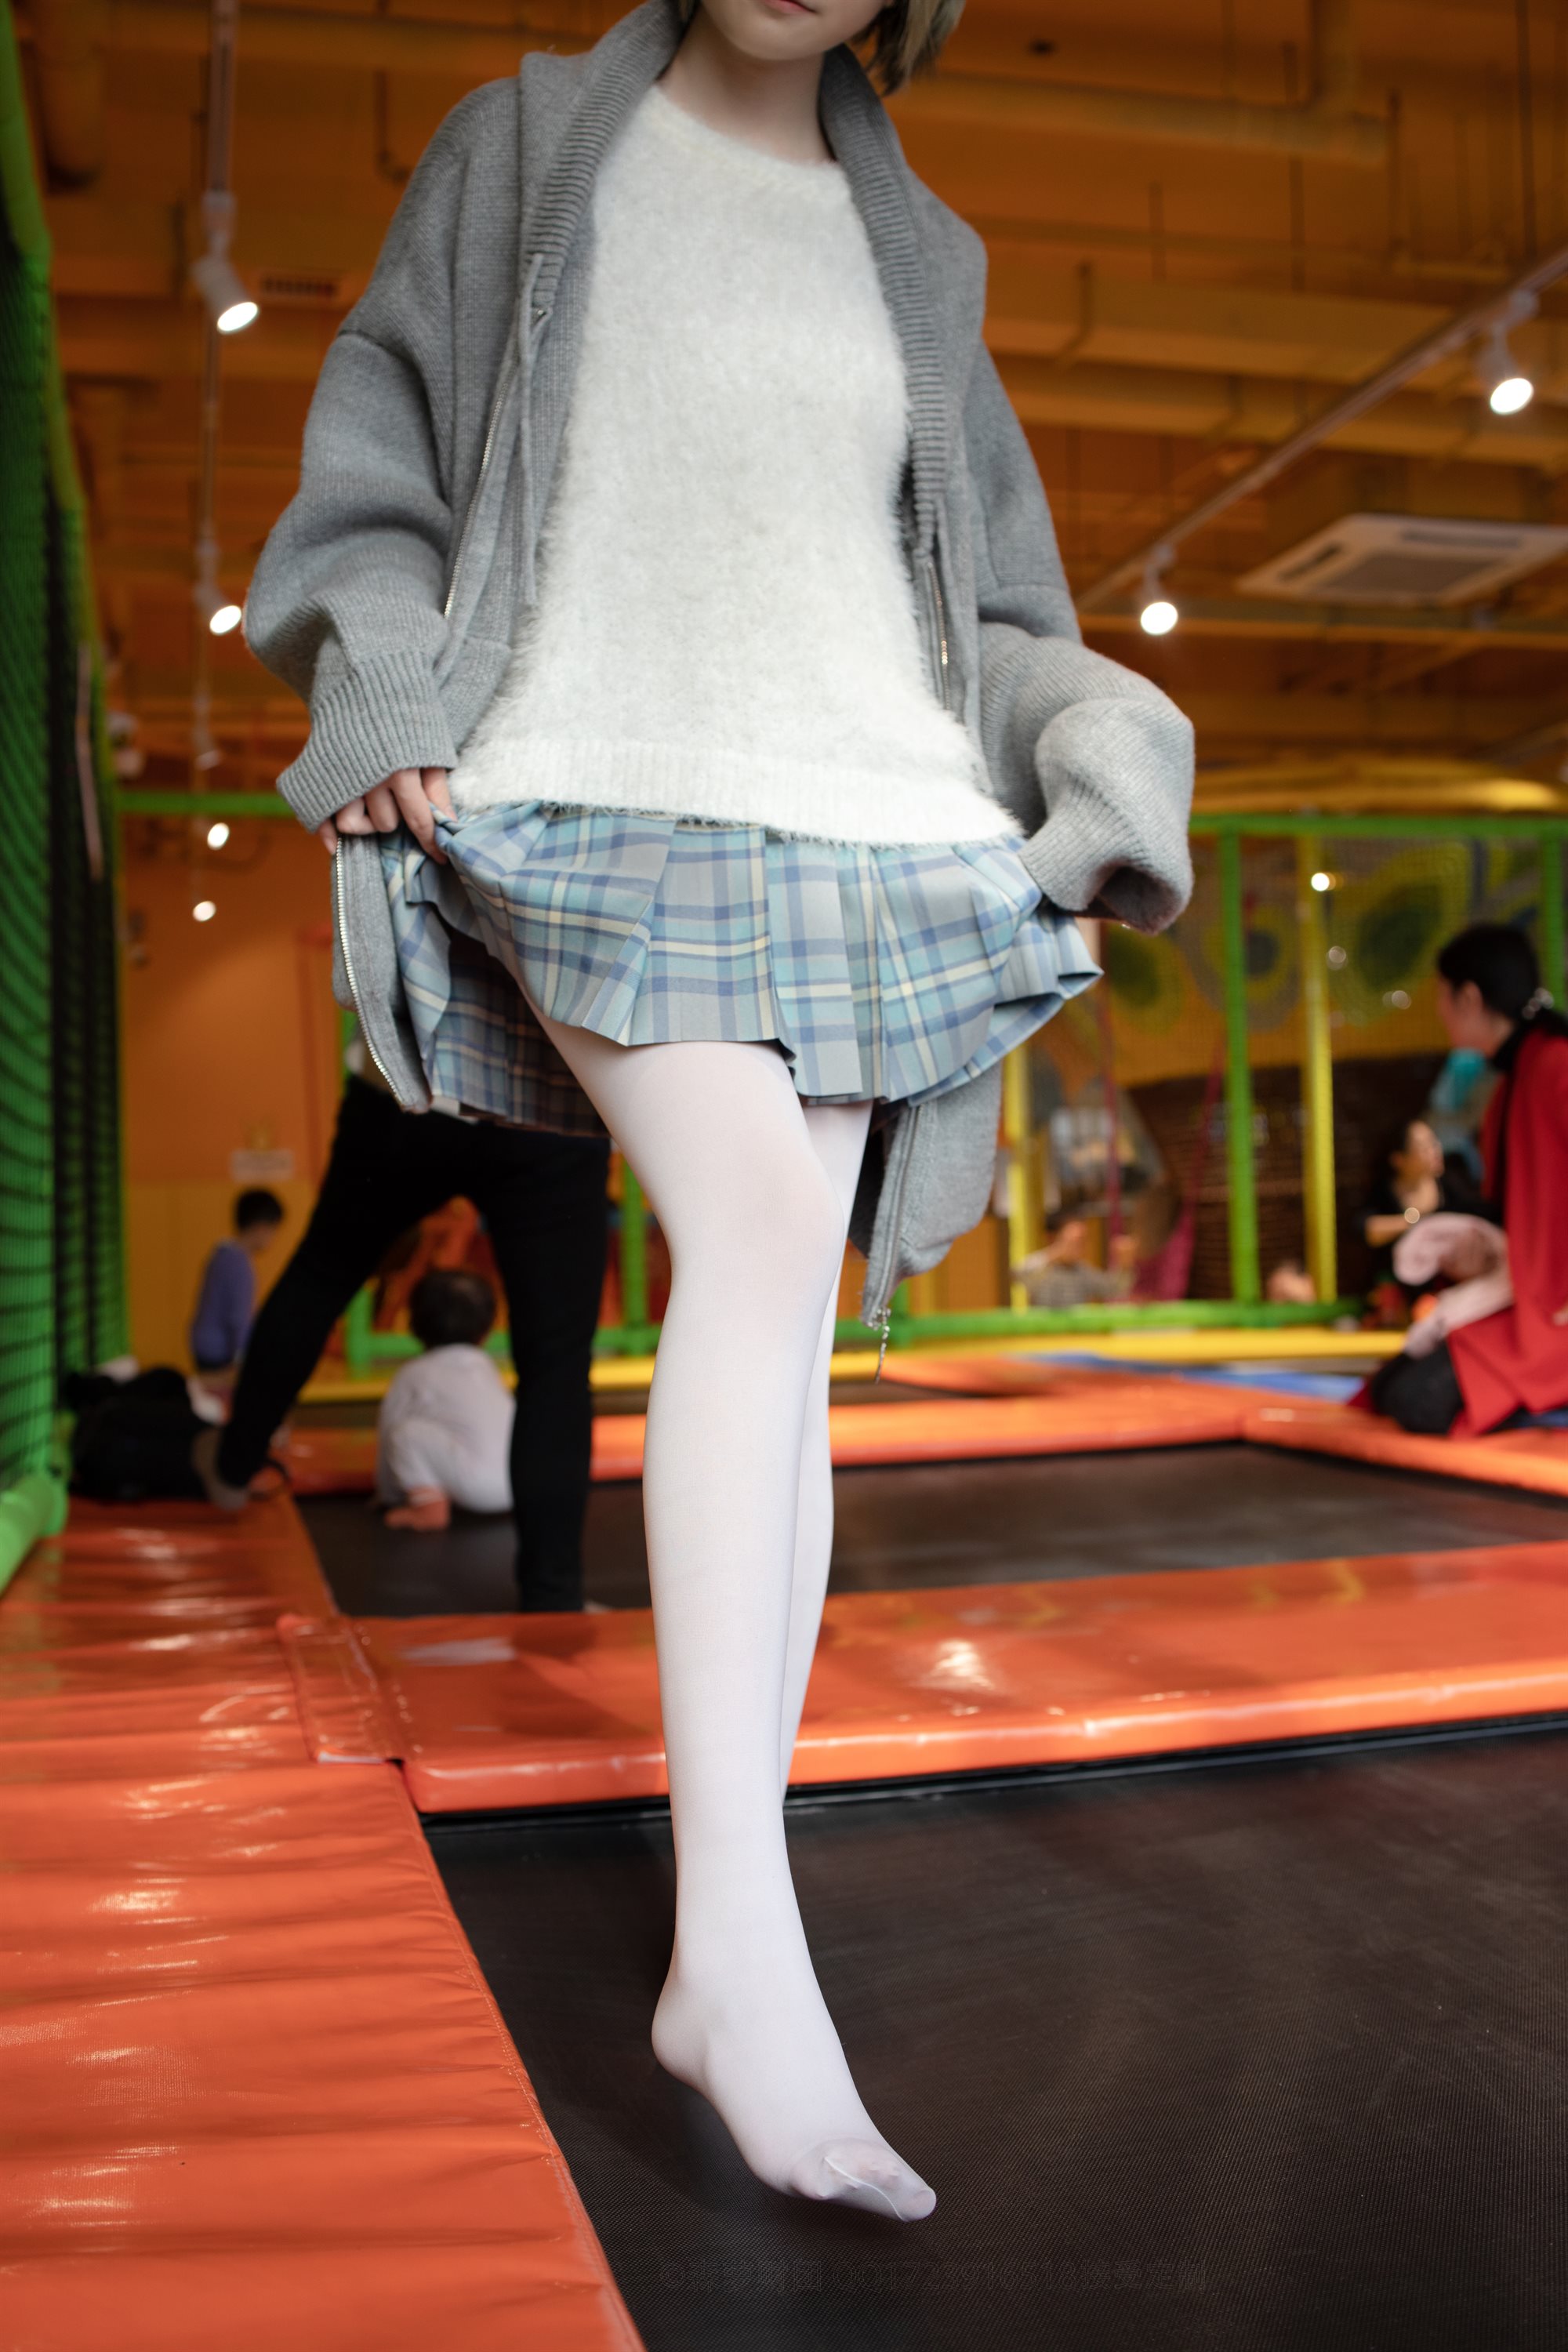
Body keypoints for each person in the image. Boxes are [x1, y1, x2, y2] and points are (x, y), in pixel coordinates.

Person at [244, 0, 1193, 2221]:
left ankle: (728, 1944)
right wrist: (380, 664)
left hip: (871, 812)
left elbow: (983, 606)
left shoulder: (917, 248)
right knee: (755, 1233)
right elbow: (375, 454)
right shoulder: (521, 148)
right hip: (587, 777)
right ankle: (743, 1956)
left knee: (786, 1350)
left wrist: (1091, 734)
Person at [192, 1050, 609, 1611]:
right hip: (548, 1106)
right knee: (557, 1365)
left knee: (321, 1276)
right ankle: (553, 1598)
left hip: (413, 1080)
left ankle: (234, 1467)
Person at [1369, 924, 1568, 1436]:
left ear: (1469, 998)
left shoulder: (1555, 1065)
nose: (1438, 1011)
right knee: (1390, 1390)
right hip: (1528, 1301)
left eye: (1441, 996)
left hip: (1554, 1311)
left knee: (1419, 1402)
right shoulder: (1515, 1080)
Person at [377, 1269, 514, 1530]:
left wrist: (388, 1495)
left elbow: (389, 1430)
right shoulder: (486, 1367)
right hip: (521, 1483)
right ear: (487, 1331)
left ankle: (428, 1509)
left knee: (404, 1433)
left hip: (477, 1489)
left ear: (413, 1326)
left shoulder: (414, 1373)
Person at [1359, 1115, 1480, 1325]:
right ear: (1399, 1159)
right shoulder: (1384, 1192)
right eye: (1424, 1147)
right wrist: (1415, 1220)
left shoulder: (1454, 1183)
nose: (1435, 1151)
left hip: (1450, 1288)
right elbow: (1367, 1229)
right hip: (1405, 1293)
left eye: (1434, 1143)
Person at [189, 1188, 284, 1375]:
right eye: (273, 1231)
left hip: (205, 1343)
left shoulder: (223, 1253)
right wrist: (245, 1360)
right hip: (217, 1351)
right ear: (261, 1227)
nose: (273, 1239)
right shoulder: (238, 1263)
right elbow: (239, 1318)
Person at [1013, 1214, 1135, 1309]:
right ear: (1057, 1238)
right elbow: (1017, 1274)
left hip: (1075, 1331)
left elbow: (1112, 1288)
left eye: (1083, 1242)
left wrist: (1124, 1266)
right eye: (1074, 1241)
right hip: (1045, 1332)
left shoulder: (1082, 1271)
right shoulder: (1044, 1266)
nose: (1079, 1247)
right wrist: (1055, 1254)